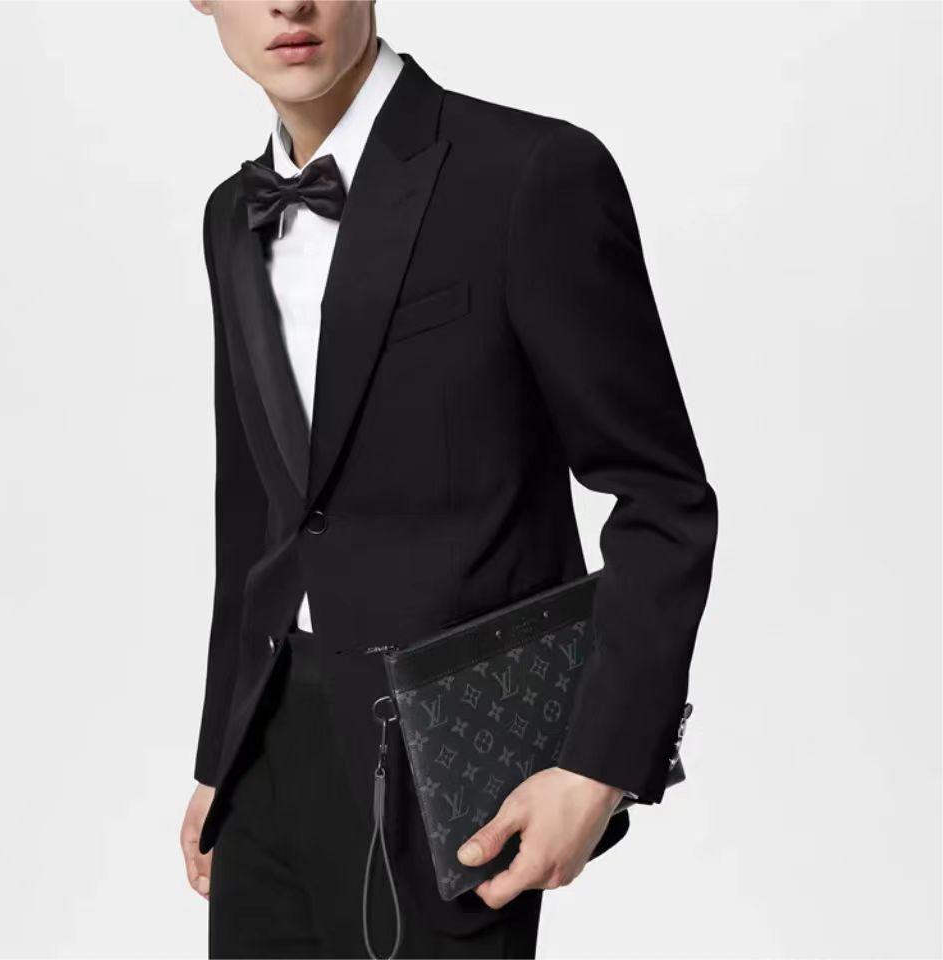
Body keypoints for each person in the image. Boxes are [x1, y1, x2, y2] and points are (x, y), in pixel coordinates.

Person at [180, 2, 718, 957]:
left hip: (449, 762)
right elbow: (255, 508)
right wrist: (219, 754)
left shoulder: (530, 174)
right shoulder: (232, 213)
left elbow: (663, 498)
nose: (287, 4)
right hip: (268, 750)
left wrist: (598, 769)